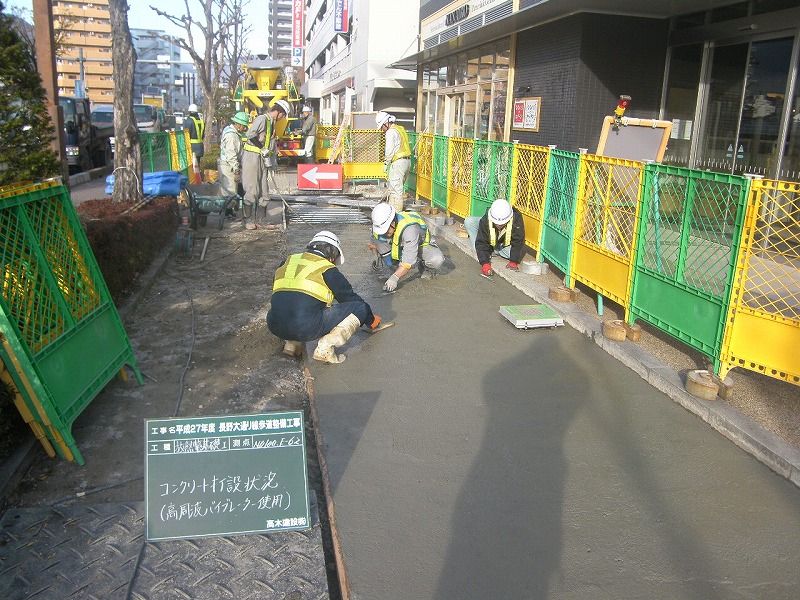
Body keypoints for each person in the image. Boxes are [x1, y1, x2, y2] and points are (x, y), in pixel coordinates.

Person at [267, 231, 384, 364]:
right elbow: (349, 299)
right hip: (305, 327)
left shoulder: (287, 261)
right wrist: (371, 320)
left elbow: (285, 295)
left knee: (295, 303)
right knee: (360, 307)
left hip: (275, 324)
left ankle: (291, 345)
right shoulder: (327, 269)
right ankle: (325, 347)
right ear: (332, 254)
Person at [370, 203, 445, 293]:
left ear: (393, 221)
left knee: (436, 259)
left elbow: (408, 262)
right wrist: (374, 253)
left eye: (386, 230)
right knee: (380, 242)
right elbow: (374, 238)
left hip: (419, 245)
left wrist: (394, 278)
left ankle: (424, 267)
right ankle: (395, 266)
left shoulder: (410, 230)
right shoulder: (380, 223)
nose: (385, 233)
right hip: (399, 243)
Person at [241, 99, 290, 230]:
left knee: (264, 191)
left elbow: (271, 143)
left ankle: (261, 220)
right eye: (283, 115)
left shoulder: (272, 123)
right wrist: (262, 148)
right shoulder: (262, 119)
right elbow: (250, 134)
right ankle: (247, 220)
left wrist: (272, 161)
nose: (283, 118)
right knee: (252, 189)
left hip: (263, 159)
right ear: (279, 111)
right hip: (252, 157)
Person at [464, 198, 526, 277]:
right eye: (496, 223)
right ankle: (486, 252)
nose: (499, 225)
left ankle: (493, 251)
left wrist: (513, 261)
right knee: (470, 223)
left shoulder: (516, 217)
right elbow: (482, 241)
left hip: (503, 244)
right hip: (492, 240)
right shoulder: (486, 219)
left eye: (502, 223)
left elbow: (518, 240)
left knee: (511, 253)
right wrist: (485, 263)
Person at [376, 111, 412, 213]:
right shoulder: (400, 129)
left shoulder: (390, 132)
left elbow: (389, 151)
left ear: (386, 123)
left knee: (396, 192)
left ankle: (396, 216)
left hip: (398, 163)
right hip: (407, 162)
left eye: (382, 127)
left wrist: (386, 164)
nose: (382, 130)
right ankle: (391, 212)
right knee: (394, 189)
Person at [218, 111, 249, 199]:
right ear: (238, 125)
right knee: (230, 193)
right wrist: (236, 171)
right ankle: (228, 211)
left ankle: (230, 210)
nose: (245, 128)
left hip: (228, 165)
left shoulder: (233, 132)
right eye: (244, 126)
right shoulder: (231, 136)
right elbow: (231, 155)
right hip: (228, 167)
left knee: (229, 192)